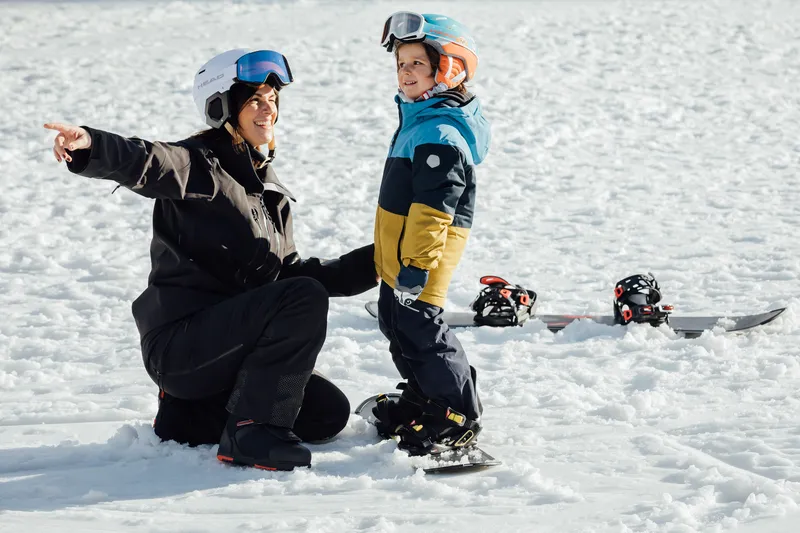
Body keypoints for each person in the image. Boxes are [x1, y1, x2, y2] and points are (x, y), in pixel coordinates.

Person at [45, 48, 377, 471]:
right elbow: (149, 160)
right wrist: (92, 146)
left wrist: (382, 259)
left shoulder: (269, 194)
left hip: (223, 352)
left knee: (326, 411)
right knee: (301, 299)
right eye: (255, 99)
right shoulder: (199, 165)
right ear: (223, 107)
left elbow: (293, 279)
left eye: (273, 99)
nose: (267, 110)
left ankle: (190, 417)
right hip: (181, 347)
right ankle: (253, 434)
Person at [371, 13, 491, 454]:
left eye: (417, 64)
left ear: (449, 69)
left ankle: (456, 413)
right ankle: (424, 398)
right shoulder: (419, 123)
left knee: (424, 331)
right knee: (396, 324)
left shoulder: (439, 134)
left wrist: (416, 267)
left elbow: (433, 212)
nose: (405, 72)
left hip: (420, 261)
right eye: (401, 63)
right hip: (401, 260)